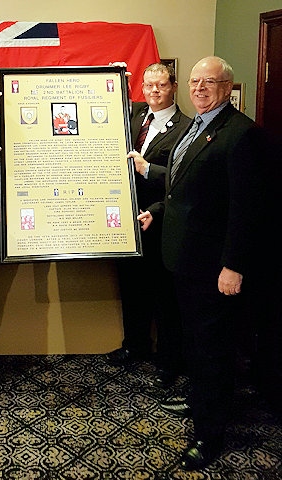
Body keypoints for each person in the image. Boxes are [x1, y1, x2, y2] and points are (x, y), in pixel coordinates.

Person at [139, 56, 264, 470]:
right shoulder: (196, 126)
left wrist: (234, 265)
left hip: (214, 268)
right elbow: (181, 187)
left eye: (209, 82)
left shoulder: (240, 134)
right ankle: (199, 402)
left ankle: (209, 435)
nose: (199, 88)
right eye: (194, 81)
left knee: (212, 349)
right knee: (196, 342)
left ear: (228, 87)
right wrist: (158, 209)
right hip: (183, 259)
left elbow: (246, 210)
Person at [107, 63, 191, 388]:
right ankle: (135, 346)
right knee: (131, 287)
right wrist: (116, 79)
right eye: (149, 85)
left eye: (161, 86)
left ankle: (168, 361)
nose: (154, 91)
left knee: (164, 297)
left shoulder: (185, 127)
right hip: (127, 222)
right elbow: (108, 105)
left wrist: (146, 169)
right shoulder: (136, 114)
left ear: (173, 87)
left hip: (162, 222)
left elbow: (182, 180)